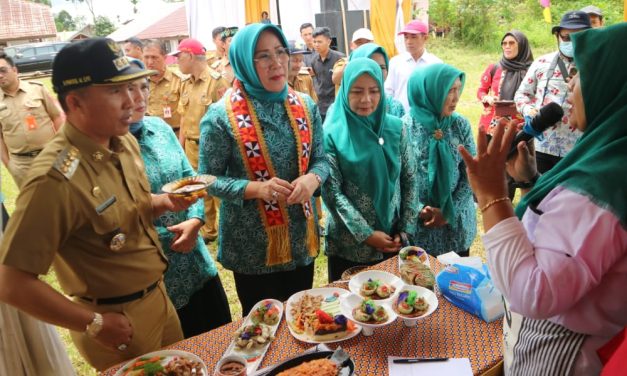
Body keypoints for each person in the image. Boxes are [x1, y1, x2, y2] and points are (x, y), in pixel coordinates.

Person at [0, 37, 199, 371]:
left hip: (159, 299)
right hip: (117, 321)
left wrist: (163, 202)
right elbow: (12, 282)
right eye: (115, 91)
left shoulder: (121, 142)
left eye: (133, 88)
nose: (132, 101)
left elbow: (126, 208)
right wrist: (92, 322)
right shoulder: (54, 179)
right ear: (75, 103)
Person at [459, 23, 627, 375]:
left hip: (559, 353)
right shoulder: (609, 158)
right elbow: (576, 238)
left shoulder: (603, 185)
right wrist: (531, 181)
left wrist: (493, 195)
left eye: (581, 73)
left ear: (613, 85)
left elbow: (535, 291)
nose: (570, 83)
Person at [197, 23, 329, 315]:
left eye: (280, 52)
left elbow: (323, 158)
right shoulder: (220, 117)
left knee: (303, 319)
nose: (277, 63)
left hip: (298, 241)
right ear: (244, 60)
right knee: (262, 332)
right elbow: (206, 179)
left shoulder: (304, 105)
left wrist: (313, 178)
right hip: (253, 248)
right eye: (263, 56)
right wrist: (256, 189)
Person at [126, 58, 231, 338]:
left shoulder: (159, 128)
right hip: (157, 271)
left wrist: (196, 219)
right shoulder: (109, 149)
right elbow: (120, 213)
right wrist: (170, 233)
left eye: (143, 87)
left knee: (221, 338)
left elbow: (190, 177)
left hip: (196, 260)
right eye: (127, 89)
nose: (138, 97)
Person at [322, 58, 418, 282]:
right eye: (357, 91)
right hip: (349, 246)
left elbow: (410, 179)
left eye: (374, 91)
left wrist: (405, 229)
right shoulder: (332, 134)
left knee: (393, 303)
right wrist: (366, 234)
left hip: (393, 239)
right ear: (345, 91)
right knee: (349, 309)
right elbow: (332, 193)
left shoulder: (396, 127)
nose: (366, 99)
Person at [404, 63, 476, 257]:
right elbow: (396, 178)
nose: (456, 98)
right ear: (430, 92)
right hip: (419, 226)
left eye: (458, 89)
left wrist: (448, 211)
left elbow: (471, 173)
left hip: (456, 225)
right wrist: (419, 209)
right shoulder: (405, 127)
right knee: (419, 284)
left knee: (455, 284)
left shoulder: (460, 125)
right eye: (449, 90)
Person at [514, 11, 591, 174]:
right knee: (538, 195)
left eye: (579, 37)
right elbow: (522, 95)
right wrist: (528, 111)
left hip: (578, 149)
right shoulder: (541, 63)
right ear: (557, 35)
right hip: (541, 146)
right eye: (566, 37)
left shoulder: (597, 66)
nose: (572, 42)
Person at [175, 38, 228, 243]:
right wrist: (180, 145)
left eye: (179, 57)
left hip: (212, 146)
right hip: (190, 145)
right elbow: (183, 115)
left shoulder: (217, 81)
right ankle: (208, 231)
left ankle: (225, 229)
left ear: (189, 55)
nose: (178, 62)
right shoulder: (185, 83)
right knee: (198, 189)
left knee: (218, 190)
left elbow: (227, 115)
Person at [0, 52, 64, 188]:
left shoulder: (37, 89)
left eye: (3, 70)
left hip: (50, 156)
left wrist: (61, 149)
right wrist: (9, 165)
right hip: (21, 165)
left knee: (64, 199)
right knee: (34, 206)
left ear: (14, 70)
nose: (0, 75)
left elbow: (57, 117)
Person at [477, 30, 533, 133]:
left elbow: (537, 96)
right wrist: (487, 98)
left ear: (522, 46)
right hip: (492, 125)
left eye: (511, 43)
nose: (507, 46)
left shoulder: (532, 71)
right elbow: (481, 91)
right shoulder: (494, 68)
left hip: (520, 125)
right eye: (504, 43)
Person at [385, 20, 442, 112]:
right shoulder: (395, 62)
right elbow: (388, 92)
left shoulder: (436, 64)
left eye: (413, 37)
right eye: (406, 37)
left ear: (425, 38)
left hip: (426, 119)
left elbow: (440, 95)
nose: (409, 42)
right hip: (399, 118)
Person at [348, 43, 405, 118]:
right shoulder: (340, 111)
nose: (378, 72)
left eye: (382, 67)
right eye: (371, 66)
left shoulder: (396, 108)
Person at [142, 39, 184, 134]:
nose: (150, 62)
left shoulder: (178, 80)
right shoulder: (139, 82)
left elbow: (185, 116)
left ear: (164, 57)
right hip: (149, 135)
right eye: (146, 57)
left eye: (154, 57)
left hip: (174, 134)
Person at [310, 27, 345, 121]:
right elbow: (317, 80)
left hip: (336, 104)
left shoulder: (340, 58)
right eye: (314, 42)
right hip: (320, 106)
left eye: (319, 42)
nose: (316, 45)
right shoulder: (313, 60)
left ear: (329, 42)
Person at [331, 28, 375, 94]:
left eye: (367, 43)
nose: (363, 46)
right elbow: (336, 79)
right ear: (351, 45)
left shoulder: (378, 62)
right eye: (359, 43)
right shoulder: (343, 62)